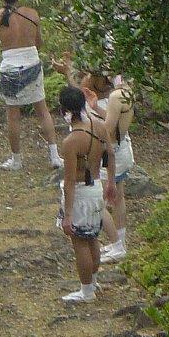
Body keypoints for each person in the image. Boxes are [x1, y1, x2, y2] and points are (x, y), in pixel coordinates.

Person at [0, 0, 63, 171]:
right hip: (31, 61)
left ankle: (16, 159)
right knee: (42, 110)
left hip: (11, 66)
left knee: (13, 115)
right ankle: (54, 156)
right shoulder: (32, 14)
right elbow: (39, 43)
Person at [56, 85, 117, 302]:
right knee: (93, 238)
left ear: (64, 110)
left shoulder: (71, 142)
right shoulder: (99, 126)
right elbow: (109, 153)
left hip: (81, 192)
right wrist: (111, 181)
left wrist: (68, 214)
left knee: (80, 242)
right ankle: (93, 280)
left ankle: (86, 290)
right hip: (97, 187)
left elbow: (70, 181)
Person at [93, 71, 135, 262]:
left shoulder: (115, 96)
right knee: (118, 198)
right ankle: (120, 242)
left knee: (97, 200)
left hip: (114, 153)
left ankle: (117, 245)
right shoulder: (127, 92)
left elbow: (108, 130)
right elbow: (114, 120)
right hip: (123, 147)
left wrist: (87, 124)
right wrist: (95, 108)